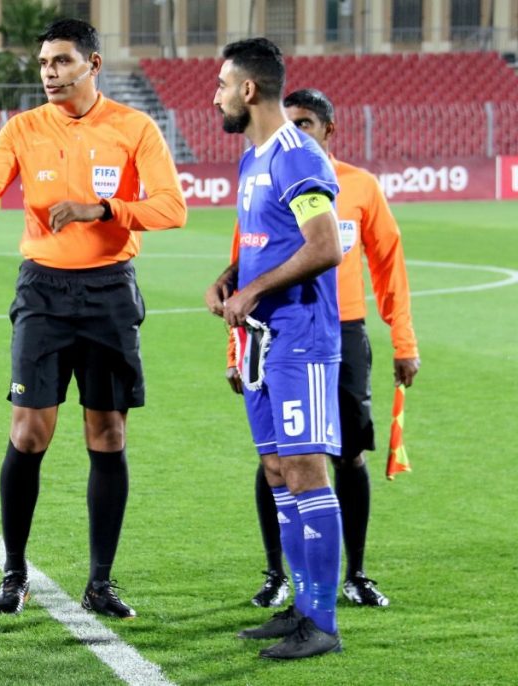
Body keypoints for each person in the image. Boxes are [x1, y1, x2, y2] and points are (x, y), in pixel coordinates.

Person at [0, 18, 187, 618]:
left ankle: (100, 582)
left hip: (109, 294)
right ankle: (14, 572)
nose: (50, 73)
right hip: (43, 294)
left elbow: (172, 208)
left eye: (62, 61)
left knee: (108, 434)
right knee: (28, 433)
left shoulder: (134, 127)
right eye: (44, 63)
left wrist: (102, 209)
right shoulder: (23, 128)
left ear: (92, 65)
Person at [231, 89, 420, 609]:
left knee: (349, 454)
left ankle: (354, 574)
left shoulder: (360, 186)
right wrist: (234, 349)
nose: (294, 133)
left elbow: (389, 266)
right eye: (288, 123)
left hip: (343, 332)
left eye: (306, 124)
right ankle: (277, 574)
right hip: (276, 332)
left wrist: (403, 340)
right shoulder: (267, 172)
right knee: (276, 456)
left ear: (329, 129)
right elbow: (244, 263)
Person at [205, 38, 344, 659]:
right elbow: (266, 240)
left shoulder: (297, 154)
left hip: (301, 339)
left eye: (221, 85)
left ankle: (323, 622)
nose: (216, 97)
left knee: (306, 469)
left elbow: (325, 245)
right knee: (276, 470)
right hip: (262, 341)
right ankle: (302, 607)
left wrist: (255, 289)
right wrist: (231, 276)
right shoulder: (252, 159)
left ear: (248, 89)